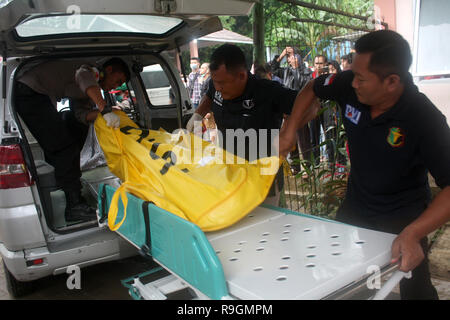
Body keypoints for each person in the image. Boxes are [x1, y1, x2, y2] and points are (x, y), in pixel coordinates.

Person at [278, 30, 450, 300]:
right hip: (356, 207)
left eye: (361, 78)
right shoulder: (349, 84)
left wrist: (414, 232)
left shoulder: (424, 118)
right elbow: (312, 88)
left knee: (416, 288)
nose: (353, 83)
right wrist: (289, 132)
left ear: (392, 81)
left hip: (404, 217)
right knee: (342, 282)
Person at [15, 57, 130, 222]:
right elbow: (84, 77)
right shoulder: (91, 70)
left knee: (63, 142)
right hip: (30, 92)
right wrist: (104, 109)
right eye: (117, 81)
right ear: (109, 70)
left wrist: (109, 113)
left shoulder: (91, 90)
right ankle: (75, 207)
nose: (116, 86)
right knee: (64, 148)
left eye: (120, 85)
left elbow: (81, 115)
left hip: (37, 95)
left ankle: (67, 191)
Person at [186, 44, 300, 206]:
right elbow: (210, 96)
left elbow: (308, 103)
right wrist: (197, 115)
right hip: (230, 172)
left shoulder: (267, 91)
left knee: (262, 226)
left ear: (241, 76)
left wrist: (289, 131)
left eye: (223, 84)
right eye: (215, 81)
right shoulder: (217, 84)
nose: (218, 87)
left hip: (263, 179)